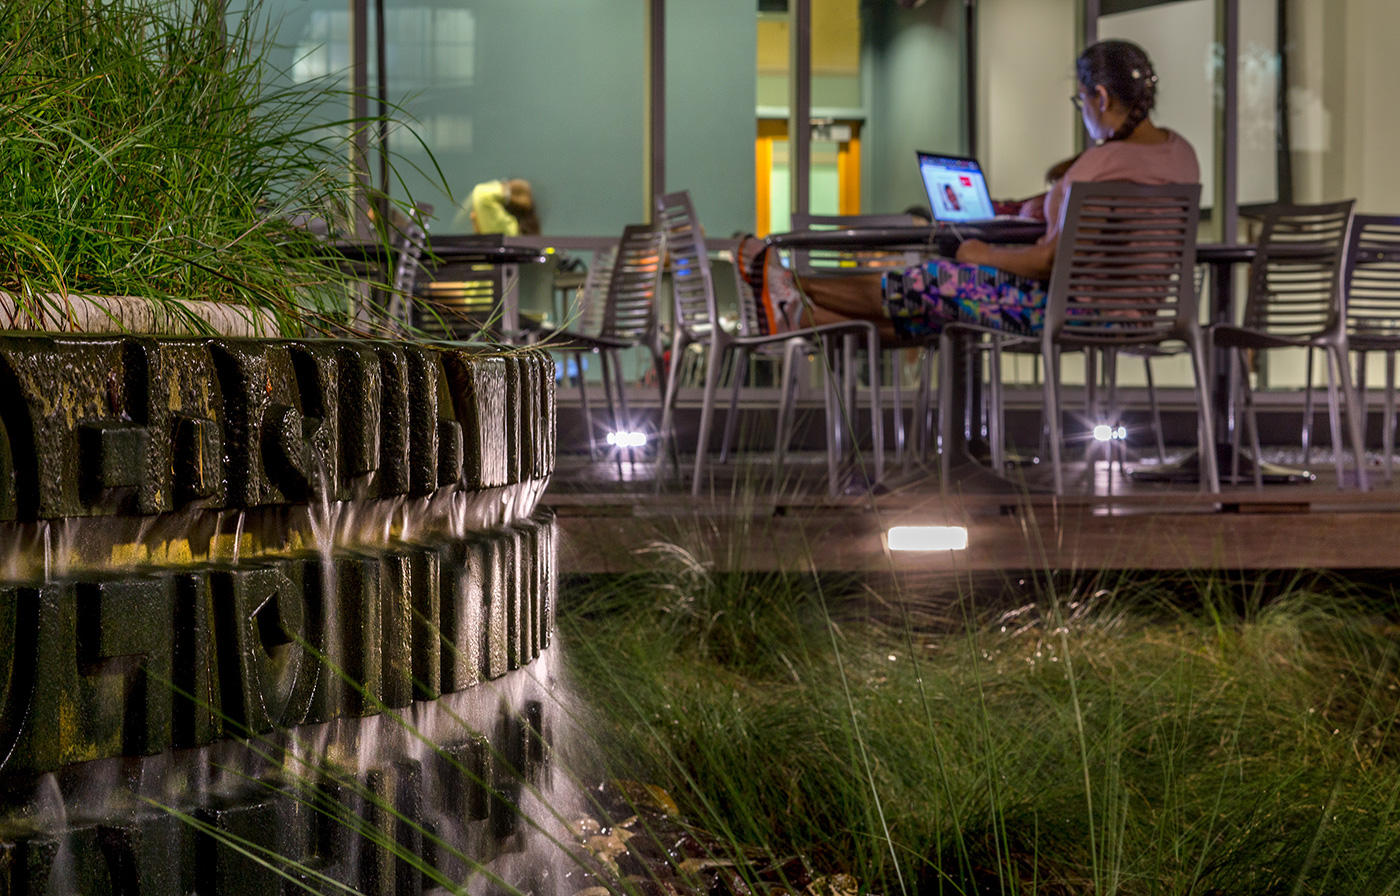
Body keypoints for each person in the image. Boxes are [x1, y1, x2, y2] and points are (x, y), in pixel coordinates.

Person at [800, 39, 1199, 343]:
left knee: (933, 280)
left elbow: (1046, 262)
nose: (1084, 112)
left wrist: (979, 253)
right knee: (934, 313)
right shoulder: (1182, 154)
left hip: (1074, 313)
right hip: (1150, 318)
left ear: (1101, 97)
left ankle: (796, 288)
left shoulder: (1099, 165)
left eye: (1082, 101)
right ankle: (797, 317)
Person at [453, 178, 540, 235]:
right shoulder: (513, 232)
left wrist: (505, 191)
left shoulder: (506, 230)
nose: (472, 216)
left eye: (478, 211)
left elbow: (482, 194)